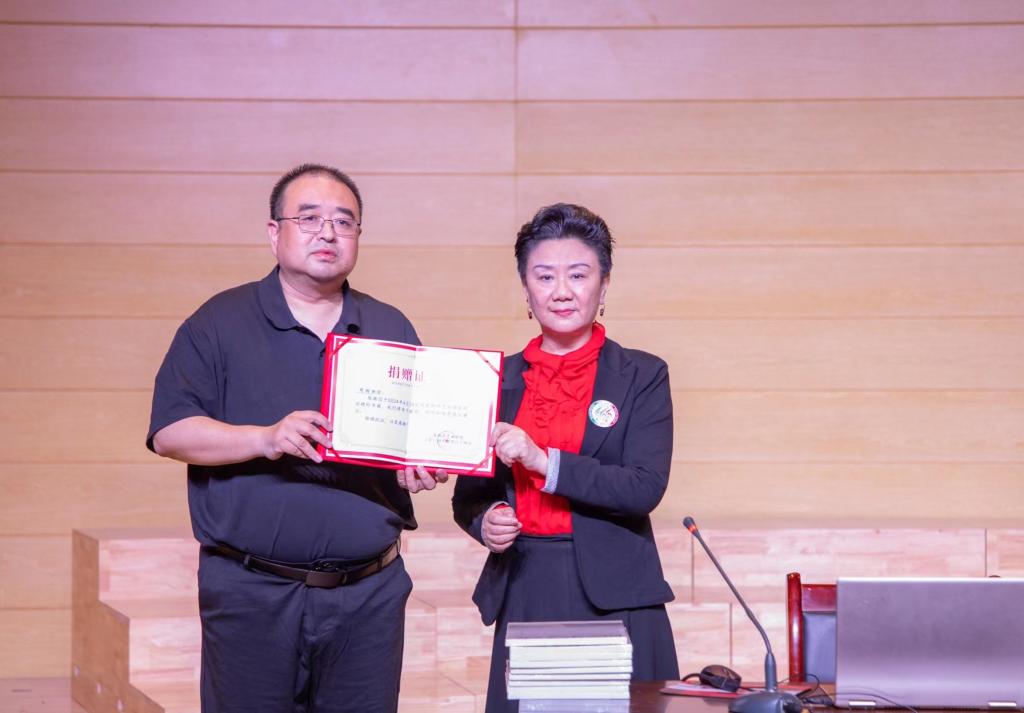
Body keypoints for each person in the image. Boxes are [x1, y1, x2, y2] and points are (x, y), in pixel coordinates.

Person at [147, 163, 445, 713]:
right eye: (309, 219)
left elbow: (415, 436)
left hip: (369, 595)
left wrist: (421, 463)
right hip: (251, 592)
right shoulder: (219, 322)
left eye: (343, 222)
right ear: (274, 232)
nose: (327, 233)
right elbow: (170, 431)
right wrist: (265, 438)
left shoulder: (390, 327)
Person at [448, 203, 680, 711]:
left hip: (617, 592)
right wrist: (487, 520)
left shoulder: (642, 375)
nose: (561, 291)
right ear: (526, 289)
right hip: (527, 584)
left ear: (604, 285)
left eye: (578, 275)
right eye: (544, 276)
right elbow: (469, 497)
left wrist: (543, 461)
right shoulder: (494, 381)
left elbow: (643, 486)